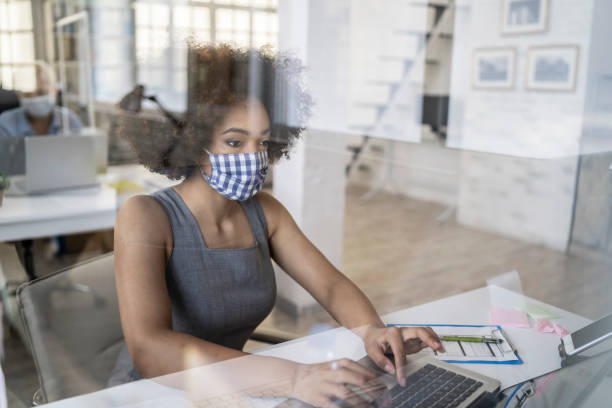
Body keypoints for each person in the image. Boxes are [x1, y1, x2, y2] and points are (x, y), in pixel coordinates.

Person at [110, 44, 444, 407]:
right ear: (192, 142)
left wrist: (372, 331)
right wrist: (293, 377)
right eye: (235, 142)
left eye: (263, 142)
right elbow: (149, 348)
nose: (253, 157)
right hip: (151, 393)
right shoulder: (145, 216)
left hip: (233, 388)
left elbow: (330, 286)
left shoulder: (265, 212)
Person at [0, 60, 81, 138]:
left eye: (41, 93)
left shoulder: (69, 120)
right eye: (27, 94)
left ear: (54, 91)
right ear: (19, 95)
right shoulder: (5, 123)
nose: (34, 98)